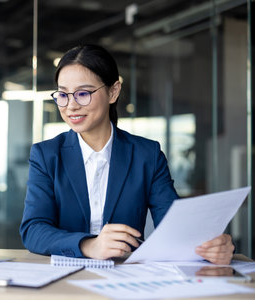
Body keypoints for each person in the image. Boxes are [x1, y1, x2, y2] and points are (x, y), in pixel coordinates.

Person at [19, 44, 234, 265]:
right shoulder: (46, 155)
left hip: (125, 277)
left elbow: (172, 227)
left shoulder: (146, 155)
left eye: (83, 93)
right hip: (61, 281)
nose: (71, 105)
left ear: (113, 92)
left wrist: (209, 247)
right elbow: (33, 230)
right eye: (63, 94)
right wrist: (89, 245)